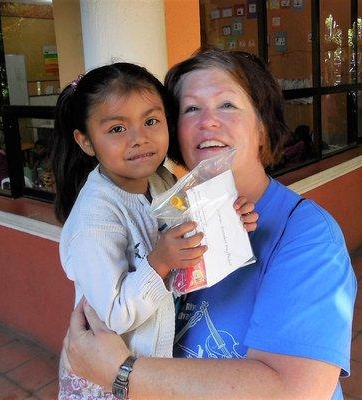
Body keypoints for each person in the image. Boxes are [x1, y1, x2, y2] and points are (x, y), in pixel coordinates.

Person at [64, 49, 357, 399]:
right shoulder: (169, 213)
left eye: (227, 105)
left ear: (263, 127)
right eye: (191, 109)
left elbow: (296, 391)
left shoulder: (307, 236)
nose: (208, 122)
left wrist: (119, 371)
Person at [51, 62, 257, 399]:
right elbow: (115, 315)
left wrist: (228, 221)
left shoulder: (161, 181)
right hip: (108, 383)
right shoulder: (95, 220)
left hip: (150, 370)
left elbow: (189, 230)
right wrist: (160, 261)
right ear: (86, 141)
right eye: (117, 129)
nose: (140, 139)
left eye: (150, 121)